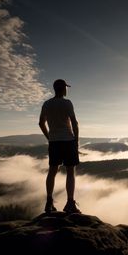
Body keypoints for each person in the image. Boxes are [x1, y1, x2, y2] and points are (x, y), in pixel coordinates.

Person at [39, 79, 81, 214]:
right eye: (66, 88)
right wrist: (76, 140)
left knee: (52, 171)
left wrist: (49, 137)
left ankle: (49, 202)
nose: (66, 90)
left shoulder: (46, 104)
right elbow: (74, 123)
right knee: (70, 172)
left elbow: (41, 123)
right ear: (63, 89)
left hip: (54, 142)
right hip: (68, 140)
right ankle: (70, 203)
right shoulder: (67, 103)